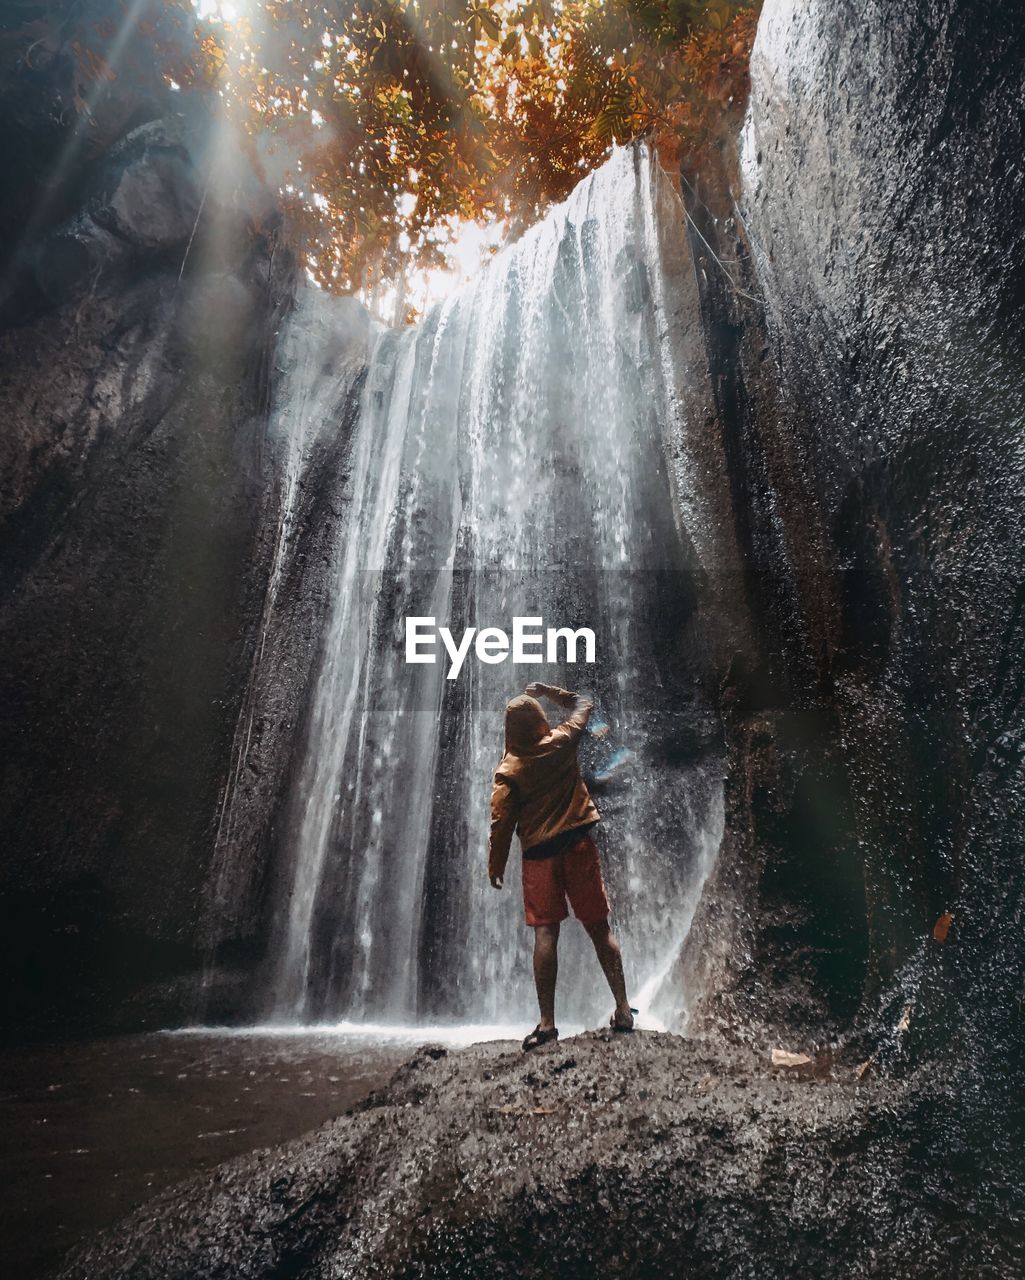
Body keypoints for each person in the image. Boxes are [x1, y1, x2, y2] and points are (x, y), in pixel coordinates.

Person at [488, 681, 635, 1050]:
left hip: (539, 857)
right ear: (539, 721)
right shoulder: (562, 740)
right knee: (600, 928)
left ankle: (547, 1024)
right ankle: (622, 1009)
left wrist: (497, 862)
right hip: (577, 846)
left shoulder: (509, 770)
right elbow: (584, 701)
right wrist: (549, 691)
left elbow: (501, 821)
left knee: (545, 935)